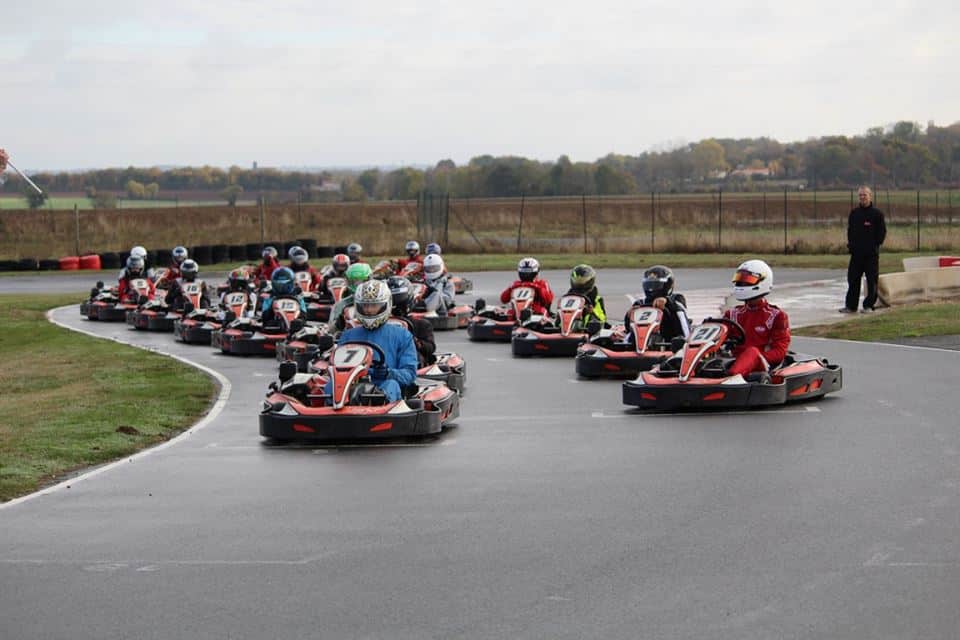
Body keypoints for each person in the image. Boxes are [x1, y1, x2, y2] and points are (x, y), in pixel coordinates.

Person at [327, 279, 418, 403]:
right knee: (329, 385)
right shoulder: (348, 335)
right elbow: (336, 367)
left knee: (391, 385)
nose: (369, 310)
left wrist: (388, 373)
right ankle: (327, 408)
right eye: (365, 306)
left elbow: (410, 374)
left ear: (386, 305)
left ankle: (380, 405)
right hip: (350, 387)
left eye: (374, 306)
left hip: (382, 388)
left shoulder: (402, 335)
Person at [722, 259, 790, 379]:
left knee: (752, 352)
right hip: (734, 361)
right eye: (740, 280)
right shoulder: (732, 314)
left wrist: (757, 357)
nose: (742, 284)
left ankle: (729, 380)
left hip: (761, 364)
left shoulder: (776, 316)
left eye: (747, 280)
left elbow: (779, 352)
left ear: (762, 282)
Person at [841, 186, 887, 313]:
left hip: (871, 255)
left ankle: (868, 305)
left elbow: (882, 233)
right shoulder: (854, 214)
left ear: (870, 196)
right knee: (853, 280)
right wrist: (851, 245)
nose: (862, 197)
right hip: (856, 254)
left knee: (871, 280)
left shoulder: (877, 214)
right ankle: (851, 306)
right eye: (860, 195)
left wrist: (875, 245)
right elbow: (850, 231)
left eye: (865, 195)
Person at [624, 265, 690, 343]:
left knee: (678, 315)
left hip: (670, 339)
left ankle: (684, 340)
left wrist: (667, 302)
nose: (652, 288)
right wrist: (629, 315)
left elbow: (680, 309)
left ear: (668, 285)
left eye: (656, 285)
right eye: (649, 285)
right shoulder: (640, 303)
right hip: (643, 339)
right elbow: (628, 328)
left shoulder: (676, 299)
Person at [387, 275, 437, 366]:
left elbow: (430, 348)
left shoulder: (421, 324)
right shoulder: (380, 326)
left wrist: (415, 342)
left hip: (412, 363)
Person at [329, 262, 373, 332]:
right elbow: (331, 330)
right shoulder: (341, 305)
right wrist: (339, 322)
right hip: (351, 336)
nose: (358, 285)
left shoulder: (379, 301)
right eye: (354, 282)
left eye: (361, 281)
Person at [564, 264, 607, 329]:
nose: (580, 283)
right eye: (577, 280)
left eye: (582, 280)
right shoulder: (567, 298)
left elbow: (602, 319)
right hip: (568, 328)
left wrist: (592, 312)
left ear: (590, 281)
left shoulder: (596, 299)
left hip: (589, 330)